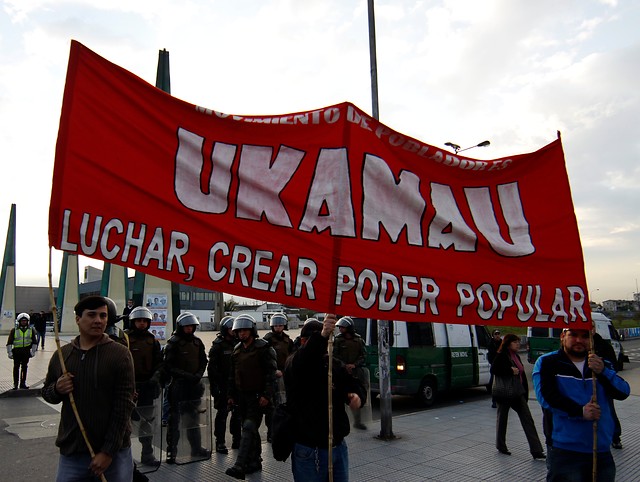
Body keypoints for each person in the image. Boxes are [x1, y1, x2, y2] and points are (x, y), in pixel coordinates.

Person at [41, 295, 135, 481]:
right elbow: (47, 392)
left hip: (114, 454)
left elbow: (124, 406)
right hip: (73, 452)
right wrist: (57, 389)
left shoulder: (120, 354)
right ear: (78, 319)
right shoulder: (63, 355)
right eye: (92, 315)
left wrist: (108, 451)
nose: (98, 320)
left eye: (103, 316)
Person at [533, 327, 630, 481]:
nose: (579, 340)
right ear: (563, 336)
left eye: (584, 336)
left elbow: (623, 392)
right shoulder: (547, 362)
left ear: (591, 338)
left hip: (601, 450)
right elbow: (546, 398)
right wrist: (580, 411)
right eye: (573, 335)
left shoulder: (600, 364)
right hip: (565, 450)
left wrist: (603, 371)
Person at [284, 315, 366, 482]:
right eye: (319, 341)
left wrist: (357, 396)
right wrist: (321, 336)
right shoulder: (294, 363)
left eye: (327, 341)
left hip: (337, 447)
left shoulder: (333, 364)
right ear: (302, 342)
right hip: (308, 449)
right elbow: (305, 359)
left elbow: (353, 384)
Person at [225, 314, 277, 480]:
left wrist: (266, 395)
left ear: (252, 330)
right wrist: (231, 395)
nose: (242, 334)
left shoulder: (264, 348)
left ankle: (240, 465)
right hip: (242, 397)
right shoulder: (237, 350)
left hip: (258, 397)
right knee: (250, 430)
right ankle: (254, 461)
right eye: (239, 331)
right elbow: (233, 375)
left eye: (245, 330)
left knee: (248, 427)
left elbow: (271, 374)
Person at [163, 312, 210, 464]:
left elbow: (204, 360)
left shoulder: (197, 342)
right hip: (179, 386)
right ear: (180, 327)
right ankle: (172, 451)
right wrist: (186, 375)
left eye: (191, 326)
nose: (189, 329)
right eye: (186, 326)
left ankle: (196, 449)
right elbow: (168, 366)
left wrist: (198, 374)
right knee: (174, 420)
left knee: (193, 420)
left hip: (194, 386)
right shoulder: (173, 343)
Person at [490, 333, 545, 459]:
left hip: (517, 392)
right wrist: (509, 371)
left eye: (518, 342)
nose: (518, 344)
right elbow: (494, 370)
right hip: (505, 393)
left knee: (527, 419)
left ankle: (536, 450)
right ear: (508, 344)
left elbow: (522, 376)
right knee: (502, 419)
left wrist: (524, 393)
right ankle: (501, 445)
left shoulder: (517, 356)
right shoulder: (501, 355)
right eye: (515, 342)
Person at [126, 306, 163, 466]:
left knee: (147, 421)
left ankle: (147, 454)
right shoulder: (124, 339)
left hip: (147, 387)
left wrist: (155, 378)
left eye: (144, 321)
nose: (141, 324)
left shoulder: (153, 341)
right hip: (128, 388)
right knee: (124, 423)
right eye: (138, 321)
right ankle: (124, 457)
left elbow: (160, 364)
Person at [207, 315, 241, 454]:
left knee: (237, 413)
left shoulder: (238, 344)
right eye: (230, 329)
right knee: (222, 415)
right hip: (222, 385)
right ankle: (220, 441)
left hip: (236, 385)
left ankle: (236, 438)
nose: (233, 331)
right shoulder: (218, 346)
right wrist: (215, 387)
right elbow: (211, 369)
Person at [263, 312, 294, 441]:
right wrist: (274, 371)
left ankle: (284, 430)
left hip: (285, 375)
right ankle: (271, 432)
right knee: (272, 407)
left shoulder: (288, 340)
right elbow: (263, 358)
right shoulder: (267, 340)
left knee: (285, 404)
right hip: (272, 377)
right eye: (275, 325)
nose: (278, 327)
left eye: (280, 325)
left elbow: (293, 356)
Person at [333, 316, 368, 430]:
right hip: (341, 373)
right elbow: (334, 356)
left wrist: (354, 365)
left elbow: (364, 356)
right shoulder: (337, 340)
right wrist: (344, 365)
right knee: (339, 396)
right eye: (340, 327)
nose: (341, 329)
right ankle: (339, 422)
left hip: (355, 372)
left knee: (357, 397)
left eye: (343, 327)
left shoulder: (358, 340)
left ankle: (357, 422)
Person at [592, 332, 623, 449]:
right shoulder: (583, 345)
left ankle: (616, 437)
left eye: (592, 327)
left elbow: (614, 365)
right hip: (588, 385)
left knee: (609, 410)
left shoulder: (604, 345)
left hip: (604, 384)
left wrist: (603, 367)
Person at [6, 312, 37, 389]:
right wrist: (9, 352)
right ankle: (15, 384)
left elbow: (34, 342)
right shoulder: (14, 330)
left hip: (26, 351)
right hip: (17, 351)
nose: (24, 322)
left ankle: (23, 383)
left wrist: (33, 351)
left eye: (25, 321)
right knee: (16, 367)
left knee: (24, 367)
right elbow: (9, 342)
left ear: (28, 321)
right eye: (22, 321)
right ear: (19, 321)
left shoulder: (31, 330)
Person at [487, 329, 502, 408]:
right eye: (496, 334)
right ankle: (494, 401)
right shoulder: (491, 343)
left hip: (502, 366)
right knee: (494, 383)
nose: (497, 335)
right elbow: (491, 355)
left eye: (498, 334)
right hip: (495, 366)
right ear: (493, 335)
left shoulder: (502, 343)